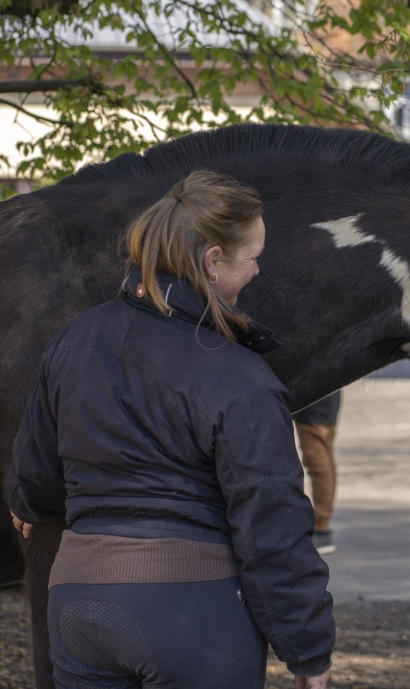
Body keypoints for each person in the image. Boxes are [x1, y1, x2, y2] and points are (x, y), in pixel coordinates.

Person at [4, 171, 334, 689]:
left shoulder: (76, 338)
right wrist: (308, 650)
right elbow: (272, 528)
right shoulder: (240, 376)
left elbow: (35, 469)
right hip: (188, 612)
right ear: (212, 261)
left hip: (76, 607)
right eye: (251, 256)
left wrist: (25, 501)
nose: (257, 269)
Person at [294, 392, 343, 555]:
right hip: (326, 394)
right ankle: (322, 528)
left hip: (315, 397)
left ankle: (322, 529)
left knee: (318, 463)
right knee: (324, 459)